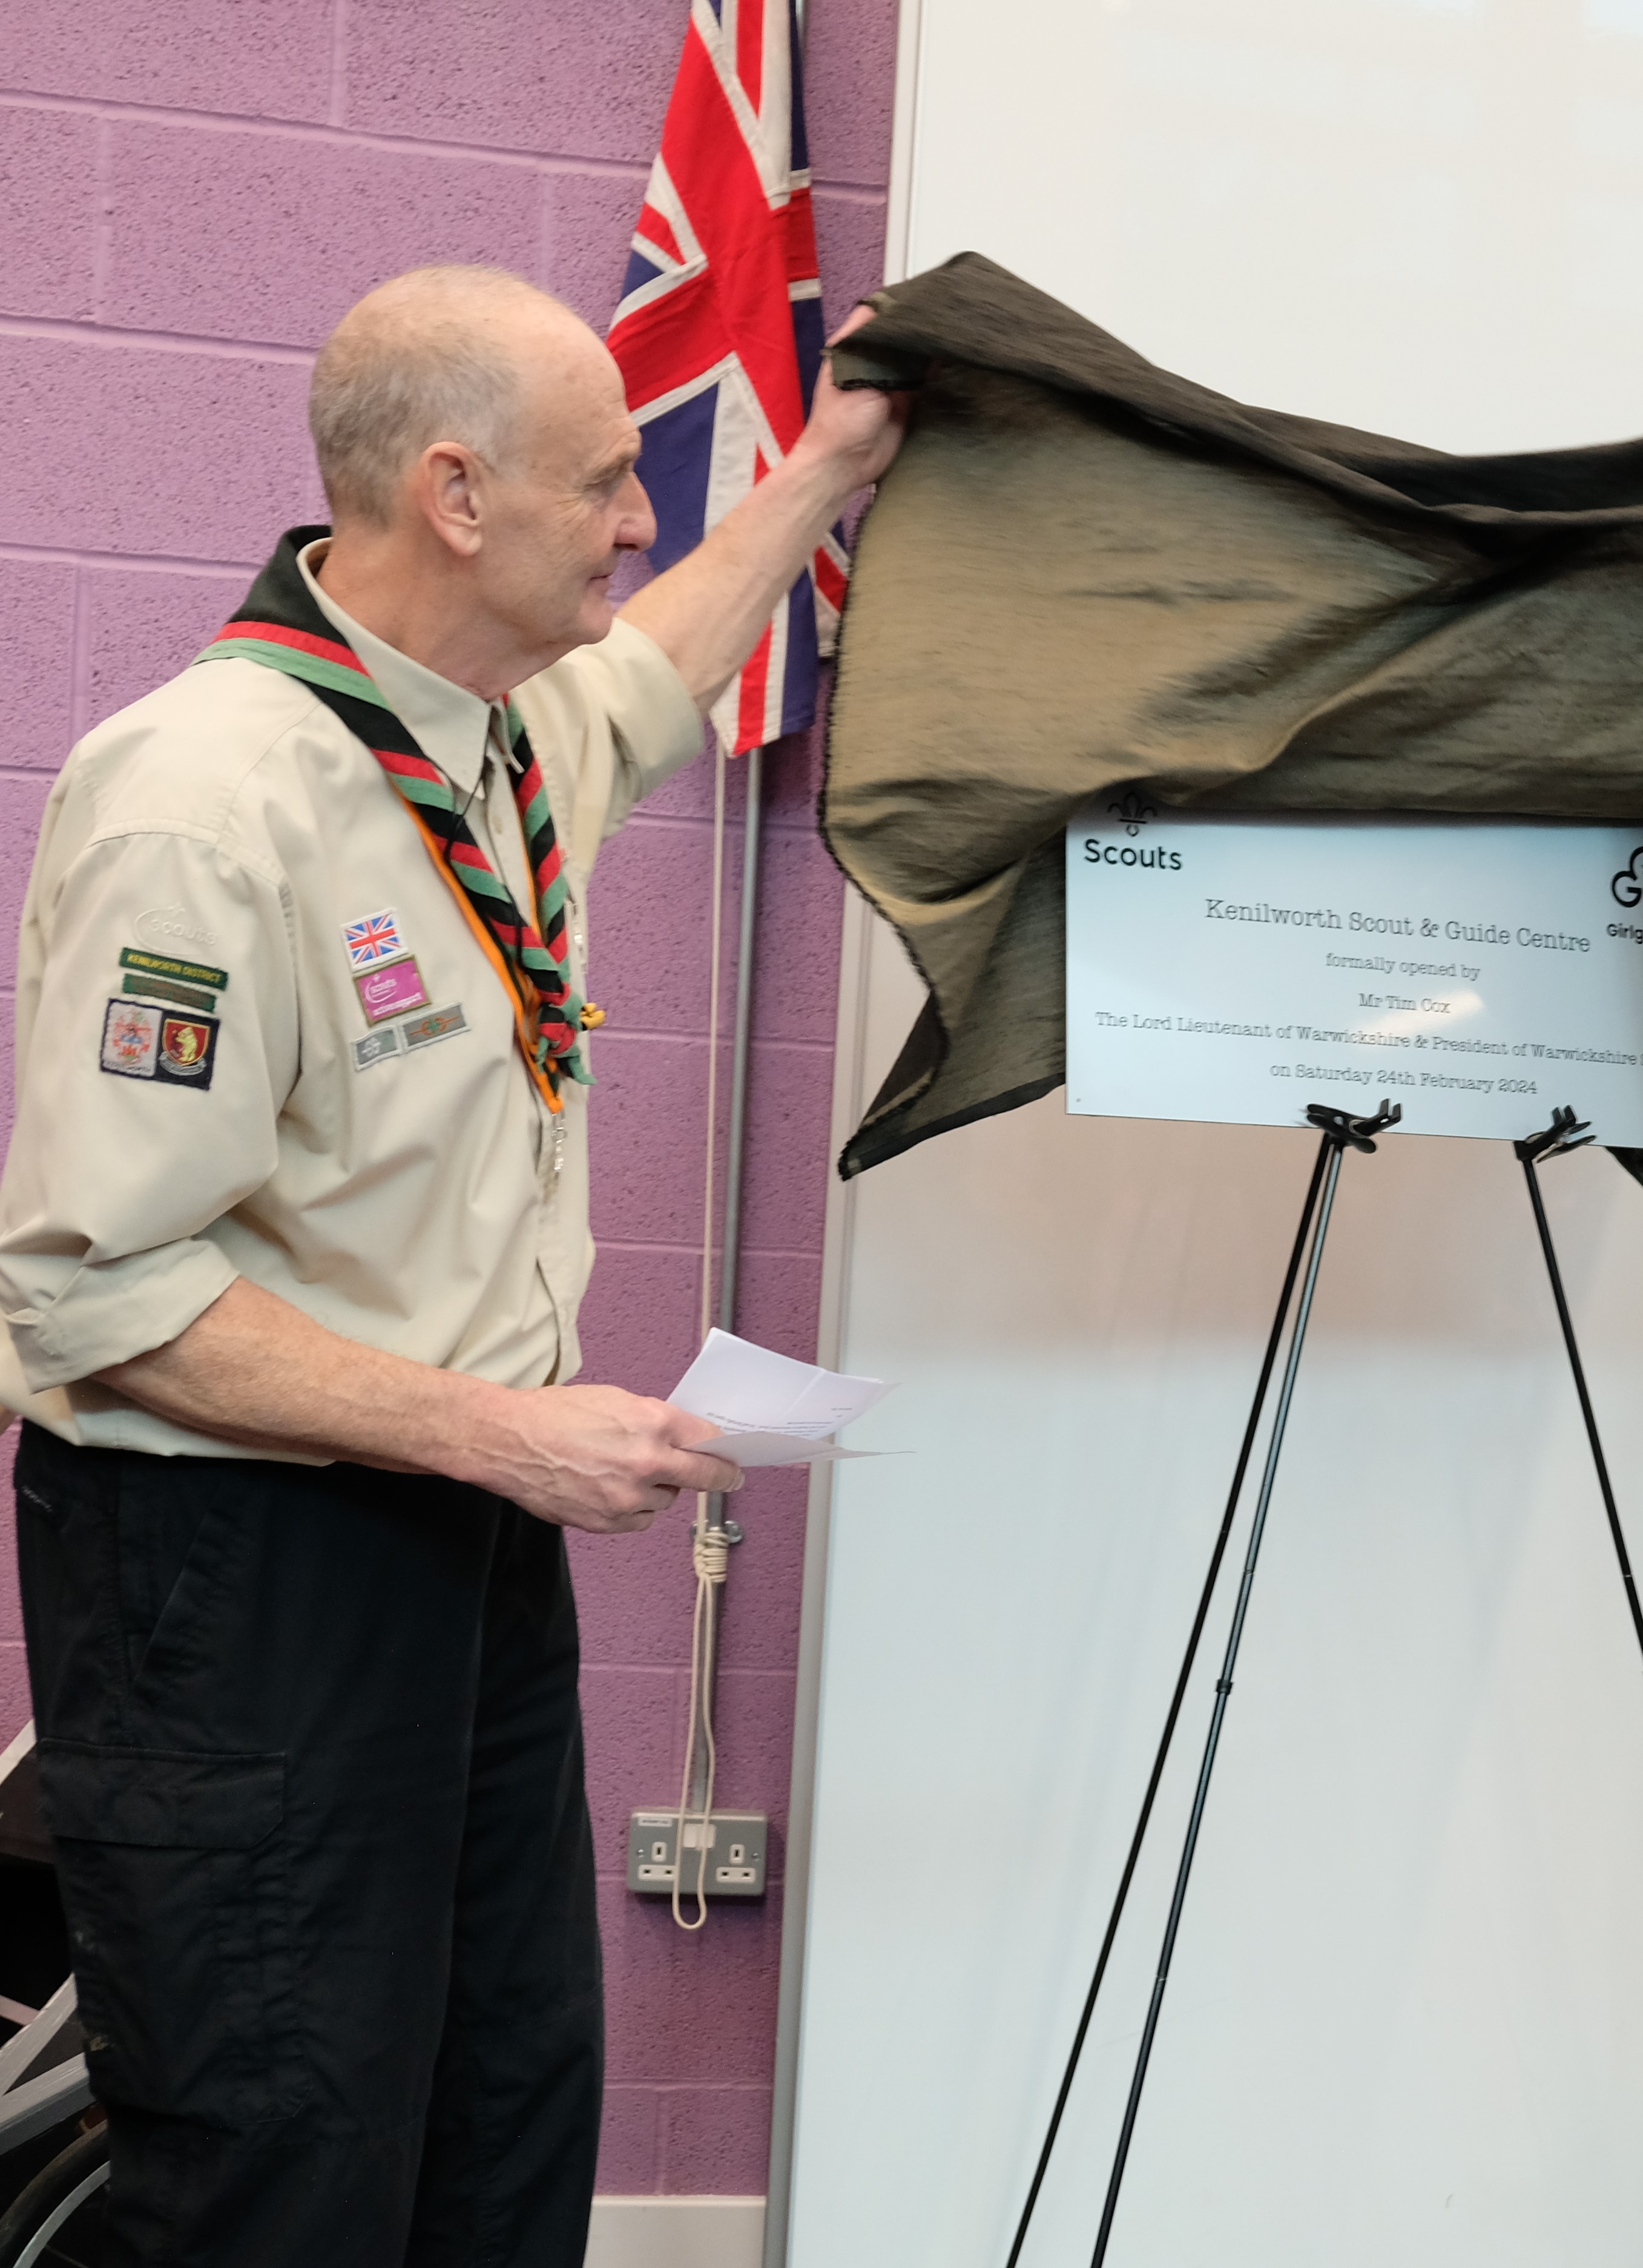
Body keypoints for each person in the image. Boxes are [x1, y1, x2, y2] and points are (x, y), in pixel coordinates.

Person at [0, 265, 903, 2264]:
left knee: (499, 2129)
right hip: (237, 1580)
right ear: (456, 495)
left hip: (464, 1557)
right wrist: (502, 1428)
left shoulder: (497, 737)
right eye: (607, 482)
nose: (642, 518)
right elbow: (84, 1292)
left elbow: (662, 664)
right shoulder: (207, 797)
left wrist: (834, 463)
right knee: (284, 2168)